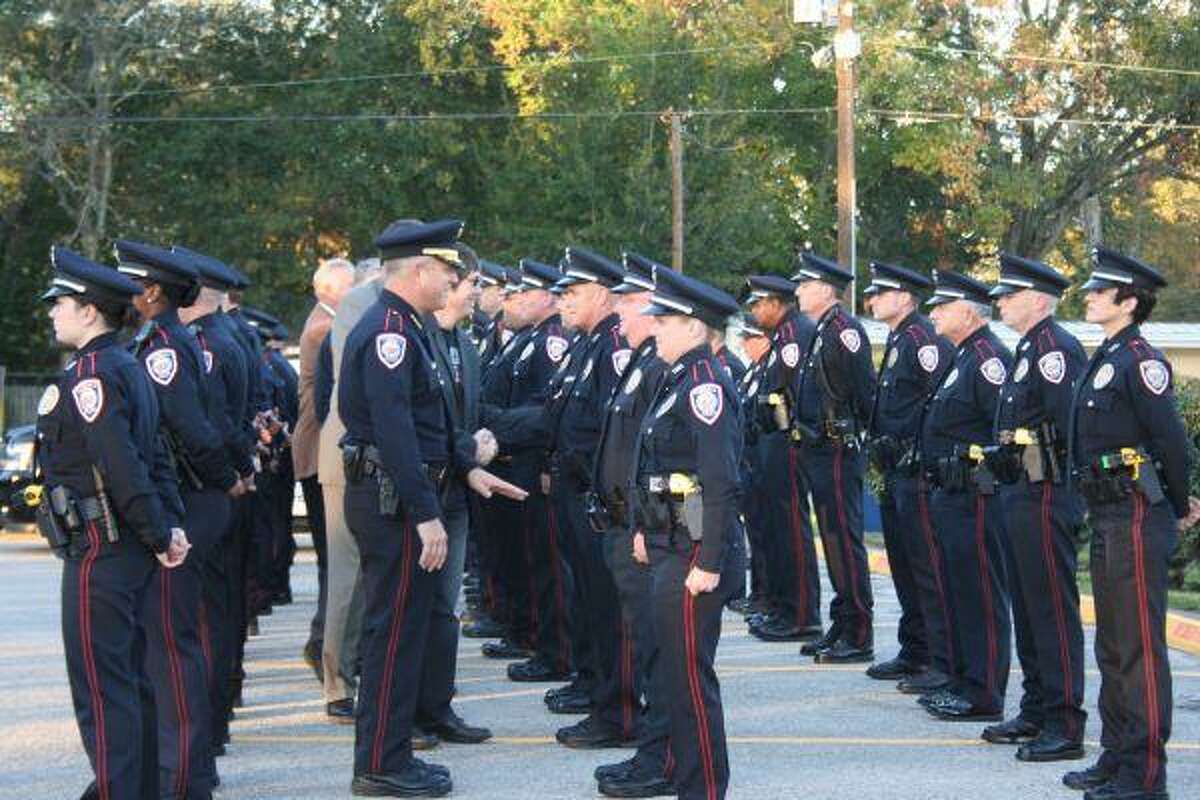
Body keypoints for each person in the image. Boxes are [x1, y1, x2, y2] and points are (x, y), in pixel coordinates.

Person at [338, 218, 525, 797]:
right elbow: (394, 434)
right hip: (395, 504)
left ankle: (390, 754)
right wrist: (425, 514)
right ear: (419, 271)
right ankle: (379, 764)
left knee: (405, 630)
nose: (453, 283)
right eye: (447, 273)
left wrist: (468, 469)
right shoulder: (390, 334)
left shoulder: (408, 327)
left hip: (412, 496)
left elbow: (430, 422)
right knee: (391, 633)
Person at [38, 246, 191, 800]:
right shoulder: (122, 363)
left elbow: (124, 463)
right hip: (123, 544)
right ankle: (133, 787)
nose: (53, 313)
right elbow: (156, 456)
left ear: (89, 311)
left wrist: (158, 529)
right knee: (128, 680)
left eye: (61, 304)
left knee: (103, 688)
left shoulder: (93, 375)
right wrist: (165, 527)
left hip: (100, 546)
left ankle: (117, 790)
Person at [1063, 247, 1200, 800]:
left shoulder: (1140, 360)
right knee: (1113, 646)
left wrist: (1177, 500)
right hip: (1109, 511)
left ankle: (1144, 774)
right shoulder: (1108, 355)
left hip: (1138, 512)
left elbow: (1169, 440)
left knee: (1139, 647)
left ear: (1128, 299)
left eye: (1100, 290)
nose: (1089, 296)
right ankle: (1117, 756)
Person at [116, 239, 242, 798]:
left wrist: (222, 477)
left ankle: (184, 776)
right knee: (171, 639)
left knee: (172, 645)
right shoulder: (160, 339)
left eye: (130, 285)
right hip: (190, 500)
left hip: (188, 504)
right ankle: (186, 767)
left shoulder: (164, 346)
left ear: (150, 292)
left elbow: (190, 428)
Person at [634, 265, 746, 800]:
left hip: (693, 552)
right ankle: (685, 778)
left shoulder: (705, 387)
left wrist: (709, 560)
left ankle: (703, 790)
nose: (655, 328)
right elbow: (660, 470)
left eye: (666, 321)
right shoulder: (678, 378)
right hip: (671, 542)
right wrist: (645, 529)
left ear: (696, 328)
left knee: (689, 683)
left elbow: (720, 482)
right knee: (674, 678)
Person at [984, 253, 1089, 761]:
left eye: (1011, 294)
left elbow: (1073, 428)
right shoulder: (1028, 348)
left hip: (1047, 493)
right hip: (1019, 492)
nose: (1001, 302)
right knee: (1027, 607)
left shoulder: (1056, 350)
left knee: (1050, 608)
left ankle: (1065, 722)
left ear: (1041, 300)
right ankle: (1037, 706)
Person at [543, 247, 635, 749]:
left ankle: (617, 711)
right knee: (591, 603)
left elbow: (614, 432)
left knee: (609, 607)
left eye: (573, 293)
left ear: (602, 294)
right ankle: (601, 696)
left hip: (597, 500)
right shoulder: (586, 346)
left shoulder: (613, 347)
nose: (564, 302)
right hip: (575, 495)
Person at [590, 251, 673, 798]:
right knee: (646, 646)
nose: (618, 313)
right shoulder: (641, 359)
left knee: (659, 648)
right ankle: (652, 748)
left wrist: (649, 529)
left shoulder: (661, 366)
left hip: (645, 531)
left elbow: (666, 464)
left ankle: (662, 758)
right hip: (625, 525)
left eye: (628, 303)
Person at [918, 269, 1013, 721]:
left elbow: (1003, 429)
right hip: (950, 495)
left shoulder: (989, 358)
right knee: (957, 591)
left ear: (969, 312)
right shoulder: (962, 357)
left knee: (980, 595)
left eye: (943, 305)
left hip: (976, 495)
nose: (933, 312)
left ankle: (985, 692)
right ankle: (962, 678)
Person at [174, 247, 256, 754]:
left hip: (213, 487)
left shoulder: (206, 342)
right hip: (232, 484)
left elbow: (213, 423)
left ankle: (210, 722)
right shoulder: (234, 334)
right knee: (223, 610)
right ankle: (219, 711)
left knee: (208, 616)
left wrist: (230, 473)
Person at [415, 258, 497, 745]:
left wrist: (481, 444)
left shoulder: (464, 345)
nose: (474, 294)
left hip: (456, 496)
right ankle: (407, 716)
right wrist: (469, 450)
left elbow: (469, 414)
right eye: (470, 284)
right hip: (422, 495)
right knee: (413, 609)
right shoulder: (415, 339)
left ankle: (437, 708)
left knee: (444, 609)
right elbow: (422, 428)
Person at [863, 261, 953, 685]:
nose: (872, 299)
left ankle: (938, 658)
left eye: (880, 292)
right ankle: (914, 648)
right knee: (903, 565)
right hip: (894, 467)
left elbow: (937, 403)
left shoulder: (923, 338)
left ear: (904, 297)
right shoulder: (900, 337)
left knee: (926, 568)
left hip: (915, 470)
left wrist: (917, 452)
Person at [791, 253, 877, 663]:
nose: (798, 291)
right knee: (832, 541)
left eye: (805, 285)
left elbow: (865, 392)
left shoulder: (845, 331)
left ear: (826, 290)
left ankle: (859, 632)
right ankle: (842, 623)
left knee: (844, 541)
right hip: (819, 450)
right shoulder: (822, 330)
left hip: (839, 450)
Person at [318, 257, 382, 724]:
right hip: (353, 452)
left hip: (361, 449)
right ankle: (337, 684)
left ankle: (351, 672)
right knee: (348, 577)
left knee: (361, 576)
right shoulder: (365, 301)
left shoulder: (369, 299)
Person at [741, 275, 821, 643]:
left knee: (790, 529)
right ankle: (782, 605)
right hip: (771, 442)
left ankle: (801, 614)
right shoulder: (783, 336)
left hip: (787, 441)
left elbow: (791, 392)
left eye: (759, 304)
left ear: (776, 303)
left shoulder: (795, 333)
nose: (756, 313)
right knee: (776, 530)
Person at [294, 258, 355, 679]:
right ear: (329, 291)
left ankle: (320, 641)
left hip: (317, 449)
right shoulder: (325, 328)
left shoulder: (327, 323)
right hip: (320, 451)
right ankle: (322, 646)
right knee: (333, 560)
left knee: (331, 560)